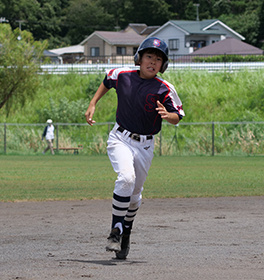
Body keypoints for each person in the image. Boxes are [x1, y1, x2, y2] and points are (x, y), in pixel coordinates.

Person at [84, 37, 185, 259]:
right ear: (139, 58)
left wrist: (169, 116)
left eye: (158, 59)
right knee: (126, 178)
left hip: (145, 145)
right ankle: (116, 231)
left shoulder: (164, 88)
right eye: (149, 56)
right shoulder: (123, 76)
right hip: (120, 138)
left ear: (163, 66)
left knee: (135, 194)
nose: (152, 61)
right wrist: (93, 104)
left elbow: (177, 115)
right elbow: (107, 80)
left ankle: (126, 231)